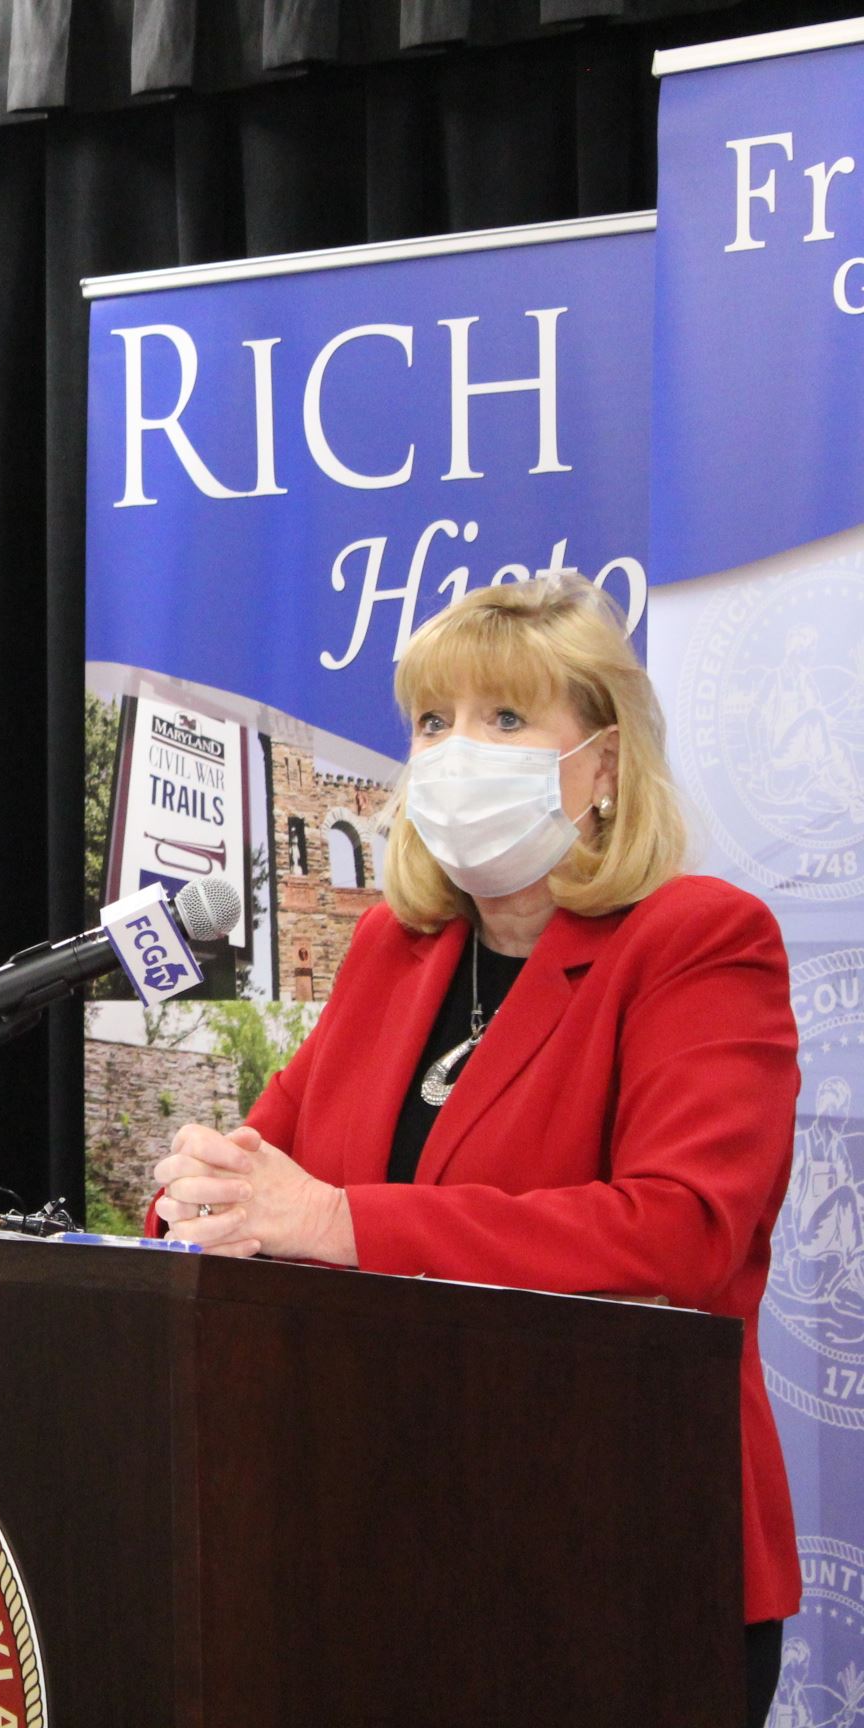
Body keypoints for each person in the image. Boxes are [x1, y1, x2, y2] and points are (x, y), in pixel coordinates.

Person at [150, 577, 799, 1726]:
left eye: (505, 721)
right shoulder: (392, 955)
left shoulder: (699, 943)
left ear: (603, 767)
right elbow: (271, 1174)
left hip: (617, 1560)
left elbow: (679, 1236)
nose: (457, 754)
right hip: (374, 1552)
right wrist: (202, 1195)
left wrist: (340, 1221)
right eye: (433, 724)